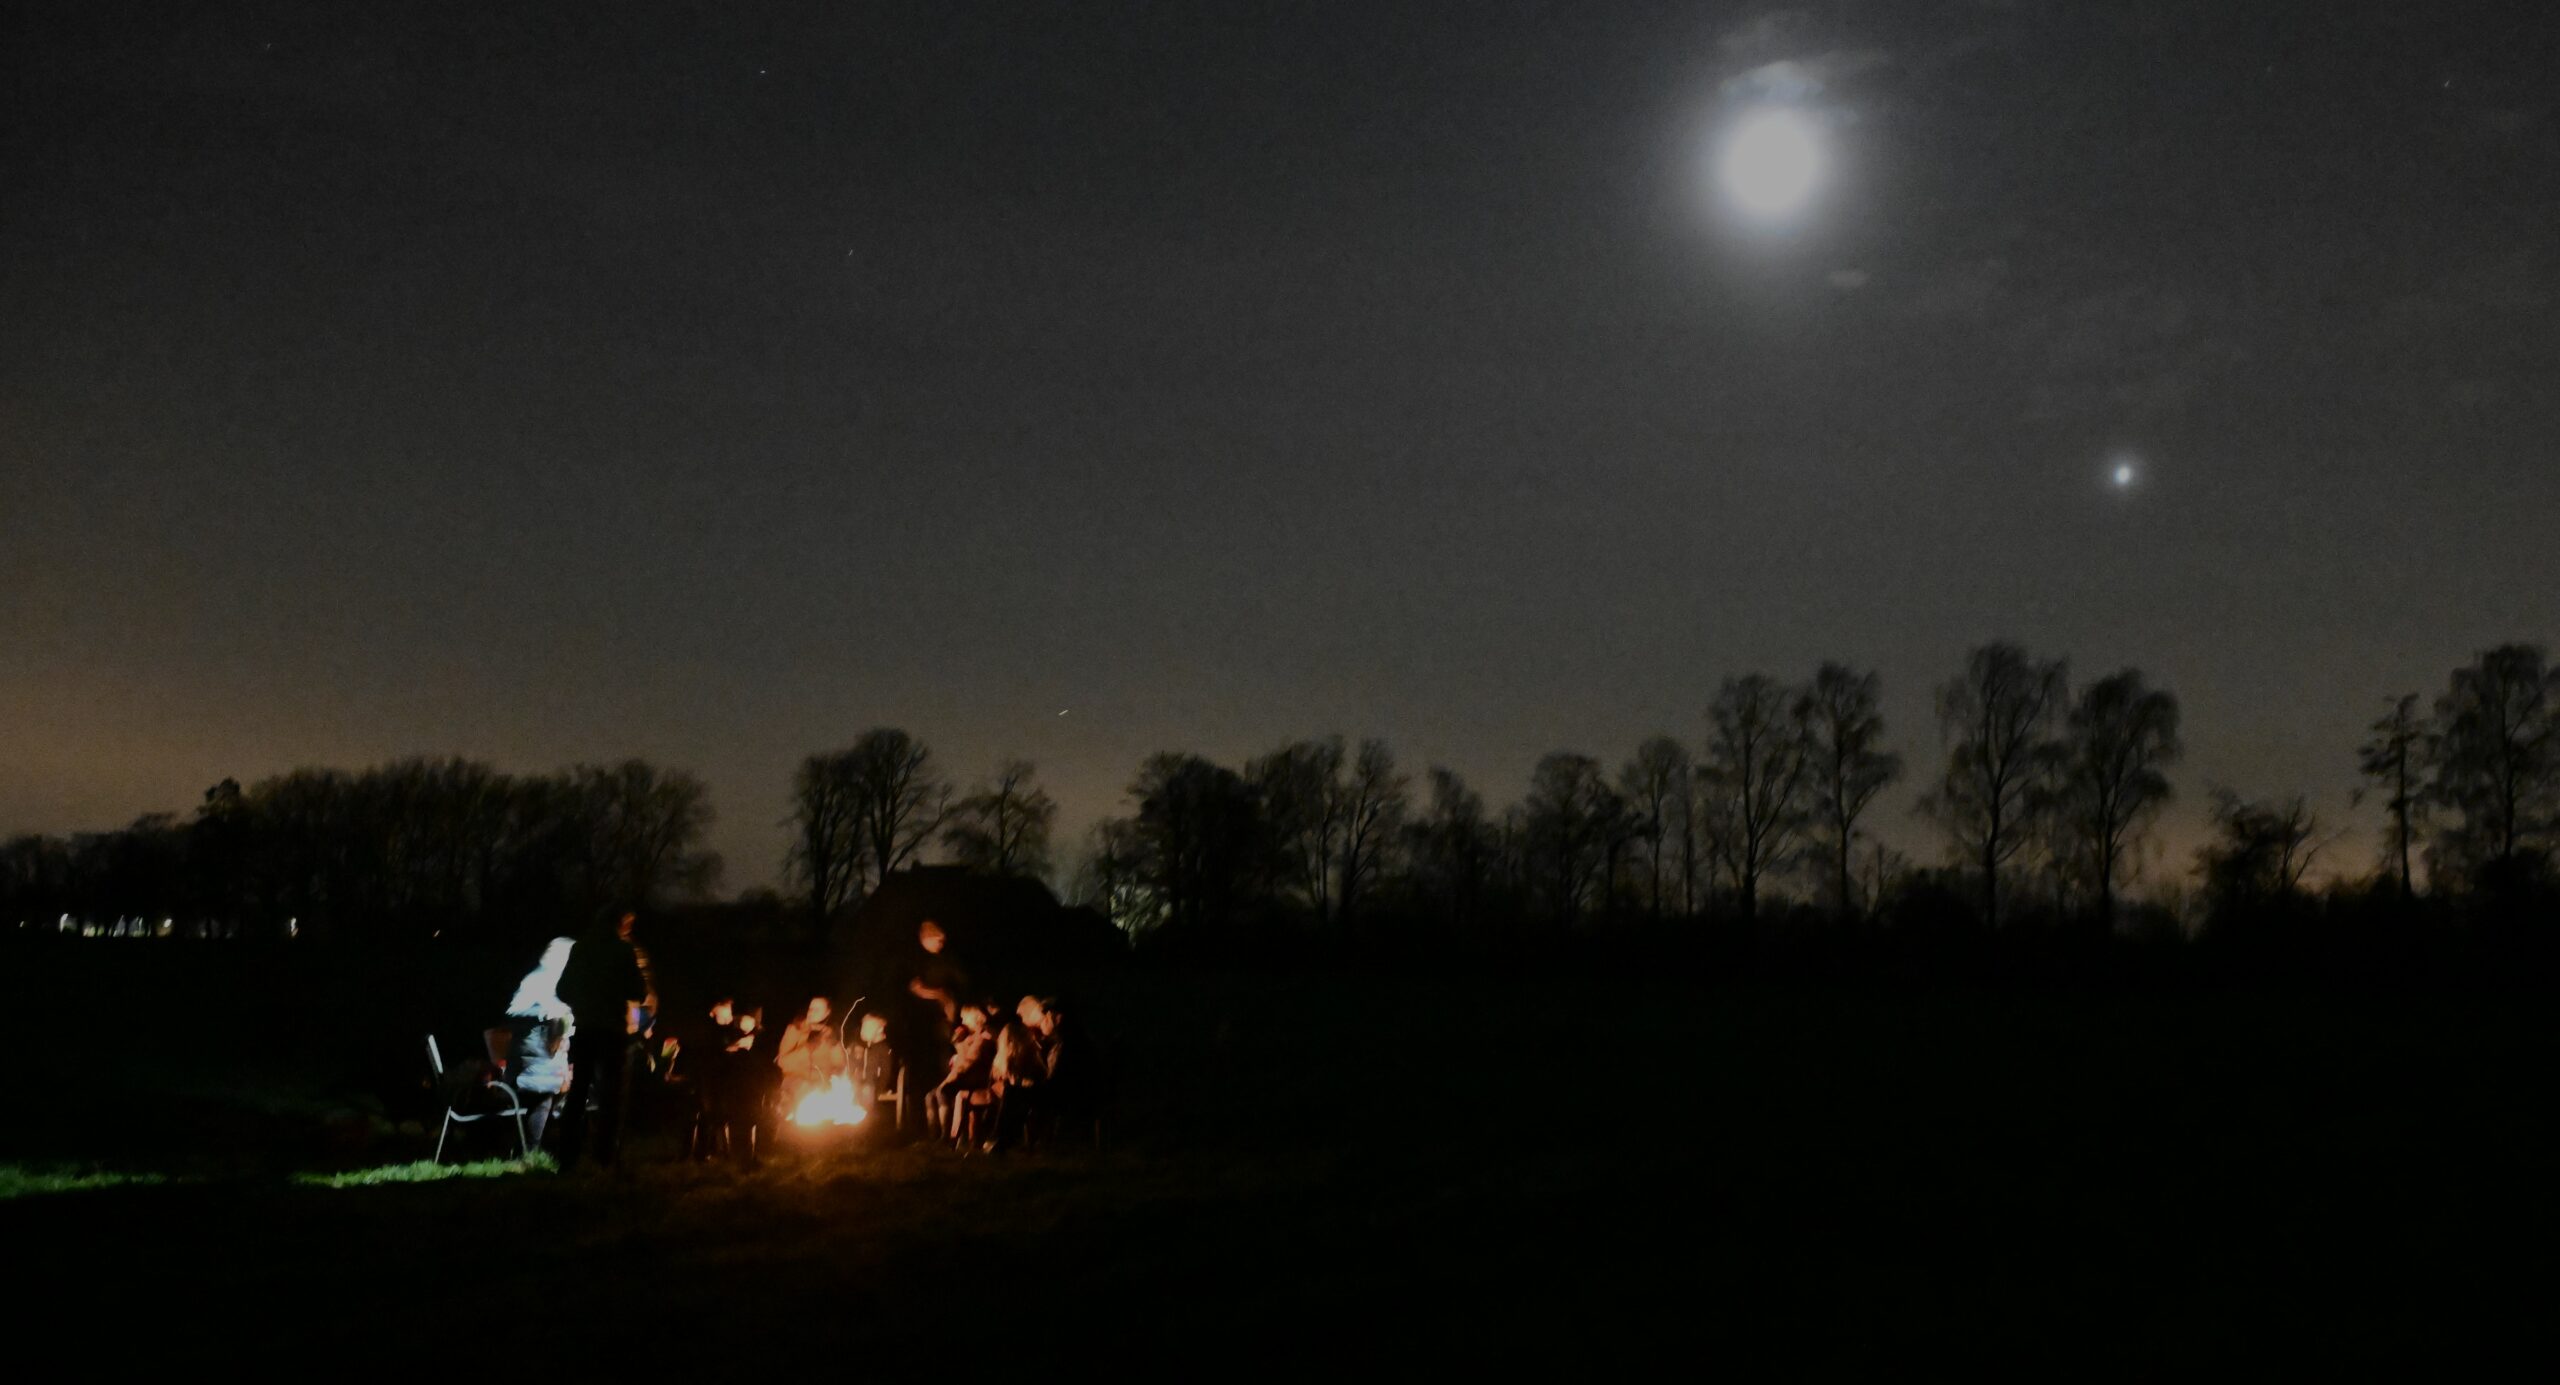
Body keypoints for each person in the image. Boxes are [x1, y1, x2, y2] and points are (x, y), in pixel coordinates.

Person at [555, 913, 649, 1169]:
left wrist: (583, 1002)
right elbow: (639, 992)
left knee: (577, 1094)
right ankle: (605, 1156)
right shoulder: (623, 950)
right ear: (621, 924)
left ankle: (566, 1156)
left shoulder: (580, 948)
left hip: (584, 1029)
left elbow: (562, 990)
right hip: (612, 1031)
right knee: (611, 1095)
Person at [489, 936, 576, 1149]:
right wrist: (543, 1013)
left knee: (555, 1096)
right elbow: (512, 1010)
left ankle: (536, 1147)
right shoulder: (535, 979)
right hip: (532, 1055)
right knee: (543, 1097)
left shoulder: (561, 980)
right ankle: (530, 1150)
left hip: (550, 1055)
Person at [988, 995, 1050, 1153]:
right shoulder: (1024, 1036)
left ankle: (1002, 1140)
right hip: (1034, 1084)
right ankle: (1002, 1140)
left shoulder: (1039, 1037)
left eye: (1022, 1016)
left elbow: (1041, 1071)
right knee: (1011, 1092)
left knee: (1013, 1094)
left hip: (1046, 1087)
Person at [931, 1002, 998, 1145]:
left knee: (943, 1091)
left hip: (978, 1079)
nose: (962, 1022)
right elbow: (963, 1058)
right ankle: (943, 1136)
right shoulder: (973, 1036)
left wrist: (951, 1078)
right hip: (970, 1076)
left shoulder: (984, 1036)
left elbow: (970, 1061)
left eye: (964, 1018)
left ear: (974, 1018)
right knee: (933, 1094)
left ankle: (949, 1137)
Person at [775, 995, 847, 1101]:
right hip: (795, 1080)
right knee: (805, 1088)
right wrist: (806, 1049)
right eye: (810, 1008)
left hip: (822, 1082)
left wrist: (835, 1044)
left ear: (827, 1013)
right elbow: (782, 1061)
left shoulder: (830, 1034)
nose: (812, 1012)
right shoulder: (796, 1029)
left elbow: (839, 1064)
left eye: (817, 1009)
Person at [848, 1012, 897, 1121]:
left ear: (880, 1029)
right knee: (851, 1087)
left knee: (867, 1089)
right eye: (863, 1027)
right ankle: (849, 1119)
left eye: (868, 1027)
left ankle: (866, 1119)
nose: (864, 1030)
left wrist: (880, 1088)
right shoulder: (861, 1047)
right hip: (861, 1082)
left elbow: (886, 1073)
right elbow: (854, 1066)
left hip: (876, 1084)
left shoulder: (884, 1049)